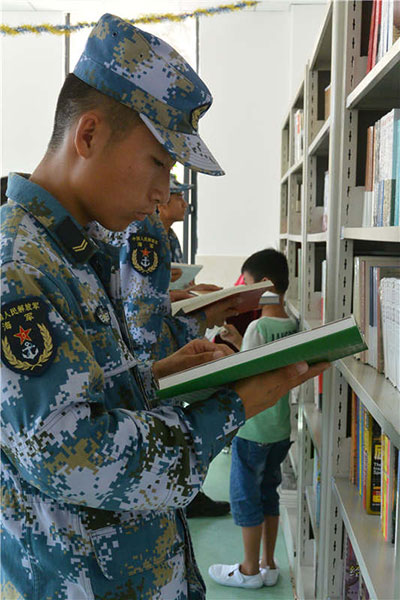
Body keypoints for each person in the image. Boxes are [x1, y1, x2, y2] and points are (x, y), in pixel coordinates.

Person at [1, 15, 329, 599]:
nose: (163, 192)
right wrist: (233, 405)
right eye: (158, 163)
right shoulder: (17, 270)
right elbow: (72, 455)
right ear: (89, 135)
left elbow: (88, 393)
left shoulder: (78, 250)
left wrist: (157, 377)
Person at [209, 248, 299, 590]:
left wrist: (232, 347)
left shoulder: (258, 327)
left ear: (263, 284)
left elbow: (248, 376)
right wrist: (239, 343)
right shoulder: (292, 324)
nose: (243, 291)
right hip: (279, 429)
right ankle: (269, 563)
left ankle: (248, 569)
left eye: (246, 284)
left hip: (253, 426)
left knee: (245, 496)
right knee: (269, 494)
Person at [158, 173, 188, 262]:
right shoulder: (144, 236)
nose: (185, 204)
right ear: (162, 204)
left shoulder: (171, 236)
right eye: (179, 197)